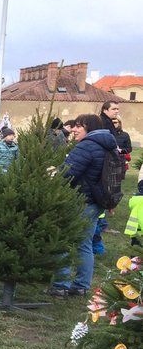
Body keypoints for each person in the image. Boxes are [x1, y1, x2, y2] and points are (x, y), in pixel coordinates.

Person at [47, 114, 116, 297]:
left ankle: (61, 284)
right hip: (95, 202)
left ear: (89, 128)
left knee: (62, 239)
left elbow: (67, 172)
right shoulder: (107, 145)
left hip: (80, 200)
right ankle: (81, 286)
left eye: (79, 126)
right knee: (84, 243)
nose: (74, 129)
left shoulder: (87, 146)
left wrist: (52, 174)